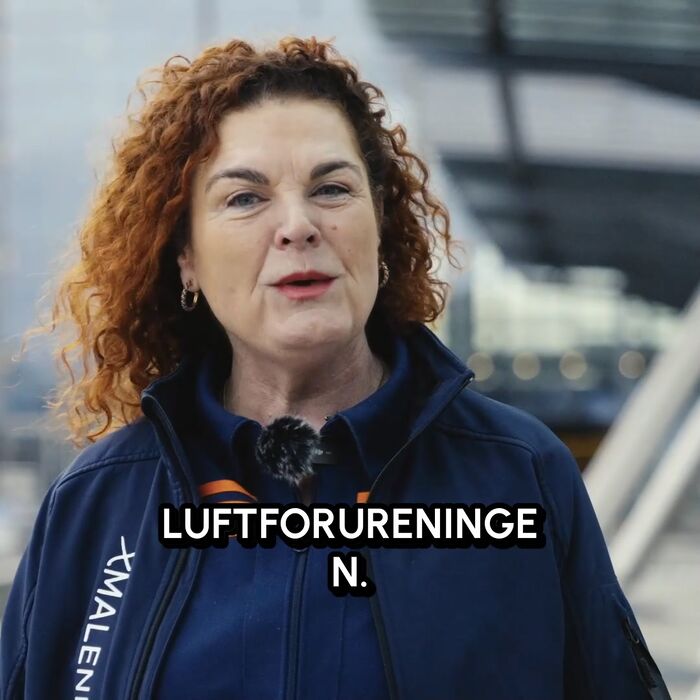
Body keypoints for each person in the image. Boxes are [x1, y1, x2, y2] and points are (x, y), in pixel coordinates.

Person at [0, 36, 669, 699]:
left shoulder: (521, 475)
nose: (298, 225)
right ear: (187, 260)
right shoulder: (95, 503)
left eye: (331, 188)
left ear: (380, 228)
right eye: (245, 198)